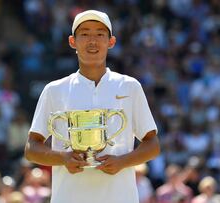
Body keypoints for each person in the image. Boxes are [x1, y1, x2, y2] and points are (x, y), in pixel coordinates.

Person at [24, 9, 160, 203]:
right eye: (85, 34)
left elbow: (152, 144)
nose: (92, 40)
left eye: (99, 34)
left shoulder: (130, 86)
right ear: (73, 41)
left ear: (111, 42)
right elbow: (31, 148)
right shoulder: (54, 90)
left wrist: (122, 162)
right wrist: (63, 158)